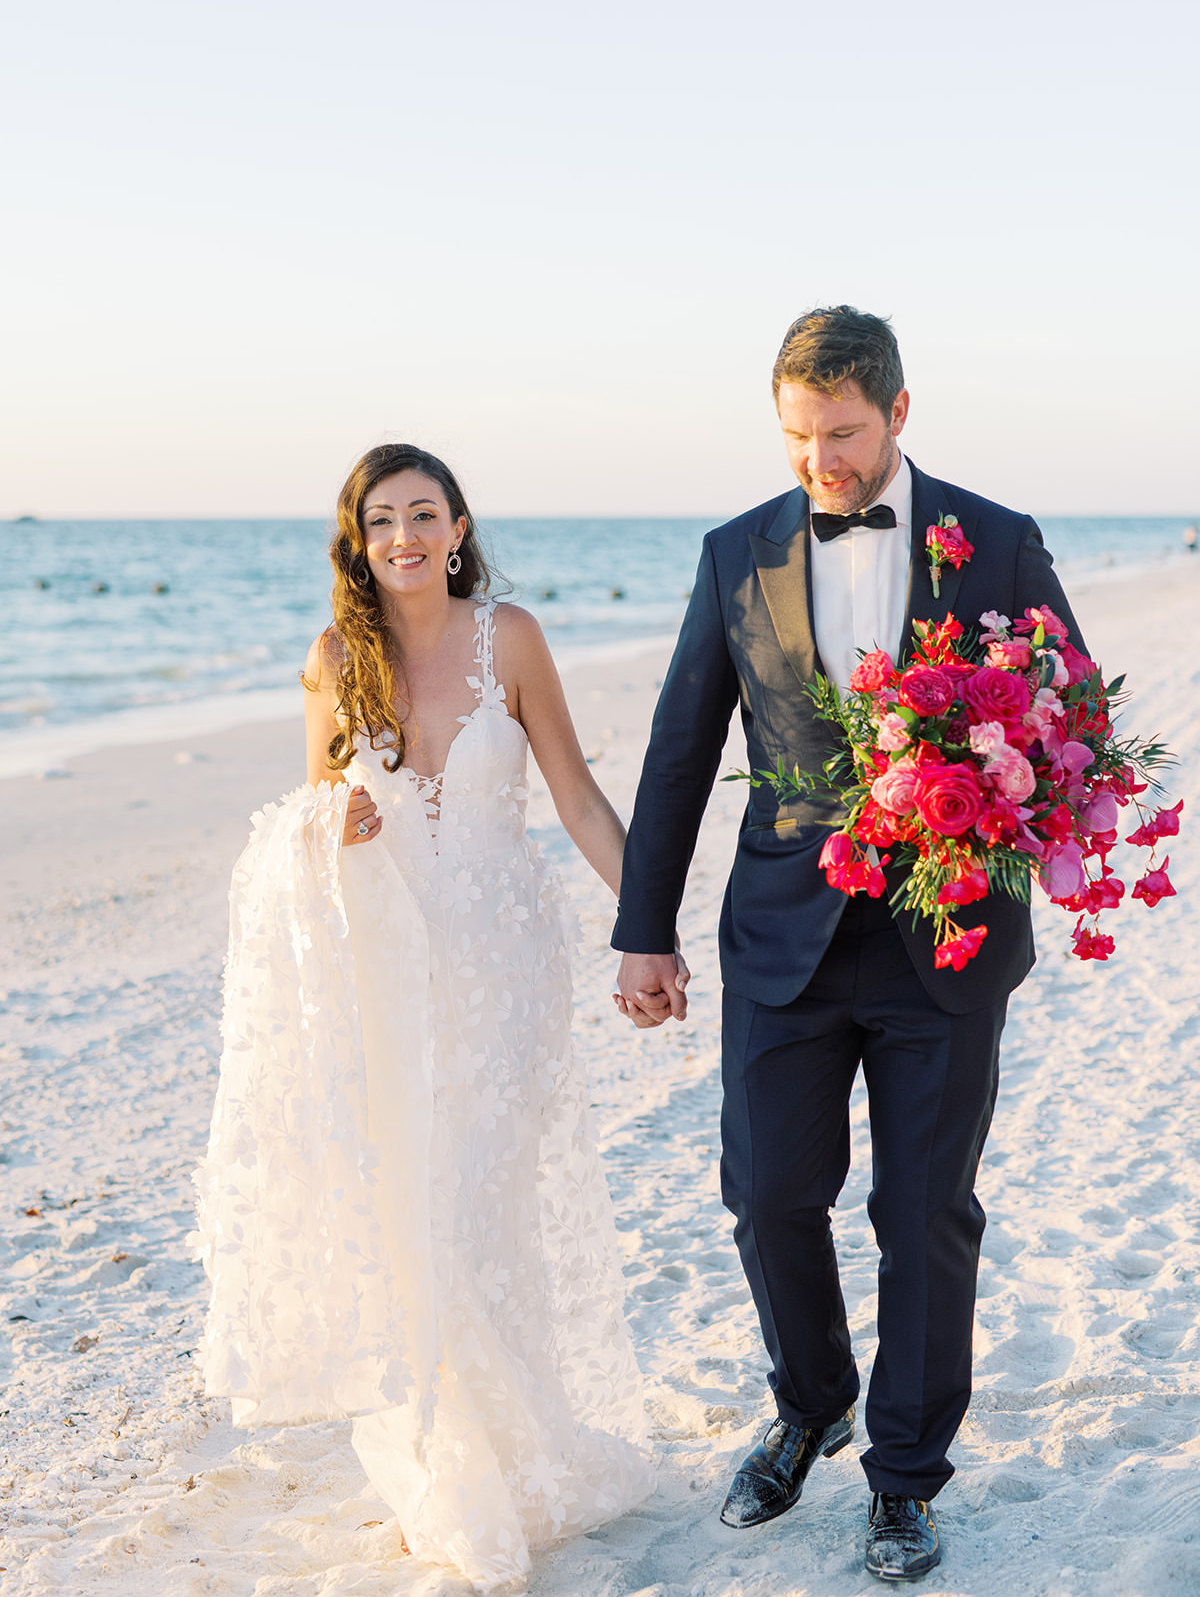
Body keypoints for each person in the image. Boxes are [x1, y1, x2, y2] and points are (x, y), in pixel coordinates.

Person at [611, 307, 1087, 1583]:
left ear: (898, 414)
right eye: (797, 436)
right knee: (767, 1194)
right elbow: (679, 749)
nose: (819, 460)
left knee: (922, 1210)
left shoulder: (997, 539)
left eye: (842, 432)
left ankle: (903, 1478)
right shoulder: (735, 554)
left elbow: (1072, 715)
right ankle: (811, 1397)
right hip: (783, 930)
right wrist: (642, 931)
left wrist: (994, 789)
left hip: (950, 935)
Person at [192, 442, 655, 1593]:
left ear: (458, 528)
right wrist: (330, 824)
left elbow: (580, 798)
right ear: (359, 538)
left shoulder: (516, 639)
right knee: (408, 1209)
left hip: (504, 967)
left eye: (424, 514)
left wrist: (650, 921)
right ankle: (443, 1472)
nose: (404, 536)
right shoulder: (333, 660)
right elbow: (302, 820)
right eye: (382, 518)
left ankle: (516, 1451)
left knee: (482, 1202)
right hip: (387, 981)